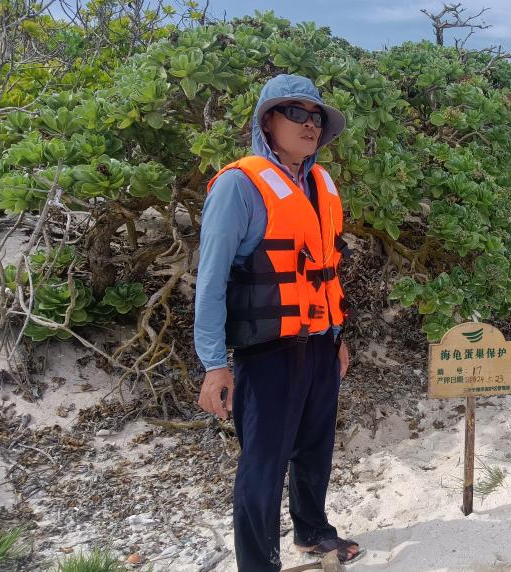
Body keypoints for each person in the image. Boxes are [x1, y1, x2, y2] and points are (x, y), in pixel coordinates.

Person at [194, 74, 363, 570]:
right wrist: (213, 364)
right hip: (268, 351)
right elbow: (211, 280)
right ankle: (258, 563)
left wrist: (337, 337)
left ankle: (312, 531)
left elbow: (325, 270)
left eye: (316, 117)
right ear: (267, 121)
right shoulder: (239, 185)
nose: (309, 124)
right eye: (295, 113)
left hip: (321, 344)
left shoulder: (320, 184)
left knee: (315, 448)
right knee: (263, 465)